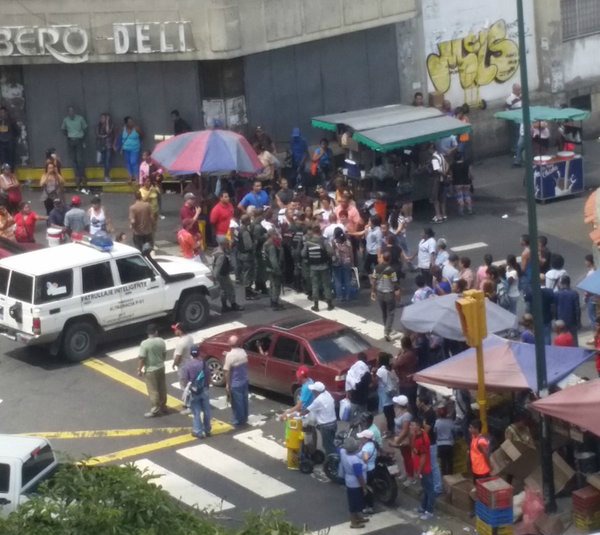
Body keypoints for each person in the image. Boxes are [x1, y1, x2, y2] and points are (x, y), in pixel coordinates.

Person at [338, 437, 369, 529]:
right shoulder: (355, 460)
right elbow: (359, 476)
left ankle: (358, 518)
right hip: (356, 484)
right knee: (354, 504)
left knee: (356, 502)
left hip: (349, 481)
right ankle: (353, 522)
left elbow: (339, 448)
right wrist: (364, 487)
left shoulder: (343, 453)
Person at [137, 323, 167, 418]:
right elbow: (164, 354)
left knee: (153, 390)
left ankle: (155, 410)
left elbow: (142, 358)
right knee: (162, 388)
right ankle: (163, 406)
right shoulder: (161, 341)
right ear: (156, 332)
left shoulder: (144, 344)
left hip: (150, 370)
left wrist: (139, 369)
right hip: (161, 367)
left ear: (148, 333)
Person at [302, 224, 334, 311]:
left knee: (314, 285)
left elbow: (303, 254)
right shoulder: (323, 241)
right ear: (320, 231)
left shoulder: (308, 242)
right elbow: (331, 252)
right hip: (324, 266)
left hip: (313, 267)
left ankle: (316, 305)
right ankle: (329, 304)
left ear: (313, 232)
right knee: (326, 285)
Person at [371, 251, 401, 341]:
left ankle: (386, 328)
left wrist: (373, 291)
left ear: (383, 258)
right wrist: (398, 294)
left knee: (384, 312)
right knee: (391, 313)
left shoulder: (376, 268)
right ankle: (387, 331)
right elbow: (395, 284)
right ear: (390, 259)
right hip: (389, 294)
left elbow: (373, 280)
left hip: (380, 293)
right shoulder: (391, 270)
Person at [183, 346, 212, 438]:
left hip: (194, 391)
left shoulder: (187, 365)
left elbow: (185, 379)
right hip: (204, 389)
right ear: (198, 353)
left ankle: (198, 431)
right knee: (207, 411)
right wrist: (207, 386)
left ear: (191, 354)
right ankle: (207, 429)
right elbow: (208, 376)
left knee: (196, 412)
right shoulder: (203, 363)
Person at [417, 394, 442, 496]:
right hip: (427, 443)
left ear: (422, 402)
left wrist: (419, 434)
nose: (417, 403)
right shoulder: (425, 412)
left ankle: (437, 487)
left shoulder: (430, 414)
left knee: (433, 465)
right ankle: (430, 486)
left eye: (418, 401)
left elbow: (426, 430)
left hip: (431, 443)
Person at [304, 381, 337, 455]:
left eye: (313, 391)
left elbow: (306, 411)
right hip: (334, 423)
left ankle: (333, 462)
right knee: (331, 443)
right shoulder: (328, 394)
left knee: (327, 446)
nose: (312, 392)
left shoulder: (318, 400)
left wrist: (296, 414)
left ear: (317, 392)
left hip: (326, 426)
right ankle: (334, 457)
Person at [223, 335, 249, 427]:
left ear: (229, 344)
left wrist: (227, 384)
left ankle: (238, 421)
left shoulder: (230, 356)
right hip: (244, 380)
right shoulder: (243, 352)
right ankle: (245, 418)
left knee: (237, 403)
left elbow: (227, 371)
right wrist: (228, 354)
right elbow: (239, 358)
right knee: (244, 400)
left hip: (235, 383)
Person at [61, 106, 88, 193]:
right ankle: (77, 177)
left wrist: (83, 138)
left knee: (80, 159)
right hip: (71, 140)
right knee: (73, 160)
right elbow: (63, 129)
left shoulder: (80, 118)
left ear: (75, 112)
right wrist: (68, 136)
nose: (71, 113)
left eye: (72, 111)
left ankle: (82, 176)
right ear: (68, 112)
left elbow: (85, 128)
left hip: (79, 140)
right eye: (69, 112)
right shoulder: (66, 120)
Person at [212, 238, 243, 313]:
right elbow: (218, 267)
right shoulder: (221, 255)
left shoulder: (216, 251)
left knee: (223, 290)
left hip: (221, 274)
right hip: (222, 274)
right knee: (230, 289)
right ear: (223, 244)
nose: (228, 245)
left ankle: (224, 306)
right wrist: (215, 278)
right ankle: (233, 304)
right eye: (227, 243)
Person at [391, 394, 414, 485]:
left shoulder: (406, 416)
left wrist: (397, 441)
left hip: (404, 440)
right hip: (400, 438)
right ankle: (406, 473)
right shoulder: (400, 412)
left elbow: (405, 431)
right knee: (404, 457)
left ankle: (411, 477)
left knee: (408, 458)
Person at [394, 336, 418, 412]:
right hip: (412, 381)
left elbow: (395, 364)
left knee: (408, 403)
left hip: (406, 382)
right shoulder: (413, 352)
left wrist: (398, 355)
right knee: (412, 402)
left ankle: (412, 417)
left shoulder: (406, 355)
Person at [263, 228, 285, 311]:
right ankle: (275, 302)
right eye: (275, 234)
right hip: (273, 269)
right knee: (276, 285)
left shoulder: (265, 244)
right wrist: (278, 270)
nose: (277, 235)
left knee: (272, 284)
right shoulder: (272, 245)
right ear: (272, 235)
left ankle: (272, 300)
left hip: (268, 267)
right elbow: (273, 260)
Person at [357, 429, 378, 516]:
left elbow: (365, 458)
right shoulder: (373, 444)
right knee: (370, 487)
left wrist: (363, 462)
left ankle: (369, 506)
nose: (360, 439)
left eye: (362, 437)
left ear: (366, 438)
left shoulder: (366, 448)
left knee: (366, 489)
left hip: (367, 471)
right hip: (372, 468)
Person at [554, 275, 580, 345]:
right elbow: (577, 308)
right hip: (572, 320)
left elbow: (554, 308)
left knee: (561, 339)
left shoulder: (557, 294)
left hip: (561, 320)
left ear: (561, 283)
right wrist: (578, 321)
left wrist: (556, 319)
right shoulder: (574, 293)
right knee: (573, 339)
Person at [238, 214, 258, 301]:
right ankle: (247, 292)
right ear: (246, 221)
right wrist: (255, 243)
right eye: (249, 220)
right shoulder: (245, 232)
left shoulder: (240, 229)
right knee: (247, 274)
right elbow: (249, 246)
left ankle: (248, 290)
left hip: (241, 255)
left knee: (245, 273)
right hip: (247, 256)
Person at [376, 352, 398, 433]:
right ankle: (392, 428)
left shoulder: (380, 371)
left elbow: (374, 382)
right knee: (391, 414)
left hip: (385, 397)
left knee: (388, 415)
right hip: (390, 395)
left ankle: (391, 431)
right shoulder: (388, 369)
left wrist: (372, 373)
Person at [345, 353, 372, 419]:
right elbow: (369, 384)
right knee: (363, 417)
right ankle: (363, 428)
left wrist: (348, 392)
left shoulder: (353, 369)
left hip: (354, 398)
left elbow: (349, 380)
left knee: (353, 417)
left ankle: (353, 428)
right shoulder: (367, 373)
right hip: (363, 399)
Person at [117, 116, 143, 182]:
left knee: (133, 162)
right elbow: (120, 137)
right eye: (130, 122)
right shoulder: (123, 128)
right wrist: (120, 147)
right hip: (126, 148)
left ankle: (137, 176)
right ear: (126, 123)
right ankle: (130, 176)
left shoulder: (136, 128)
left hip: (135, 148)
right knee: (128, 162)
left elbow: (142, 135)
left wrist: (137, 141)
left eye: (132, 121)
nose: (132, 123)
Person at [332, 227, 354, 302]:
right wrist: (352, 262)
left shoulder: (334, 242)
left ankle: (340, 296)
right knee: (347, 279)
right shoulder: (348, 242)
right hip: (347, 261)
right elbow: (351, 253)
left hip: (337, 262)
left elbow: (332, 252)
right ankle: (347, 296)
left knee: (338, 280)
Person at [430, 146, 449, 223]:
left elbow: (437, 169)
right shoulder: (441, 155)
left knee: (435, 198)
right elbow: (447, 165)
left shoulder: (434, 158)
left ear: (431, 149)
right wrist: (446, 173)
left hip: (437, 180)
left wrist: (443, 173)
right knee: (442, 198)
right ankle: (444, 215)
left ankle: (438, 216)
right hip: (443, 180)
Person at [434, 406, 455, 475]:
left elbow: (435, 432)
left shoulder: (437, 422)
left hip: (440, 444)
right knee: (450, 462)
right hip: (449, 444)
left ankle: (444, 476)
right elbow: (454, 431)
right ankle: (450, 475)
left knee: (443, 462)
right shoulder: (450, 421)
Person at [95, 112, 114, 182]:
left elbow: (108, 132)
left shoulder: (110, 125)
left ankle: (106, 175)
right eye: (101, 118)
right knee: (100, 161)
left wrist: (107, 123)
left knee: (107, 161)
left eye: (104, 118)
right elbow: (97, 134)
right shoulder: (98, 126)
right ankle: (106, 172)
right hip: (100, 145)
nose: (102, 119)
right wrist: (103, 136)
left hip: (108, 145)